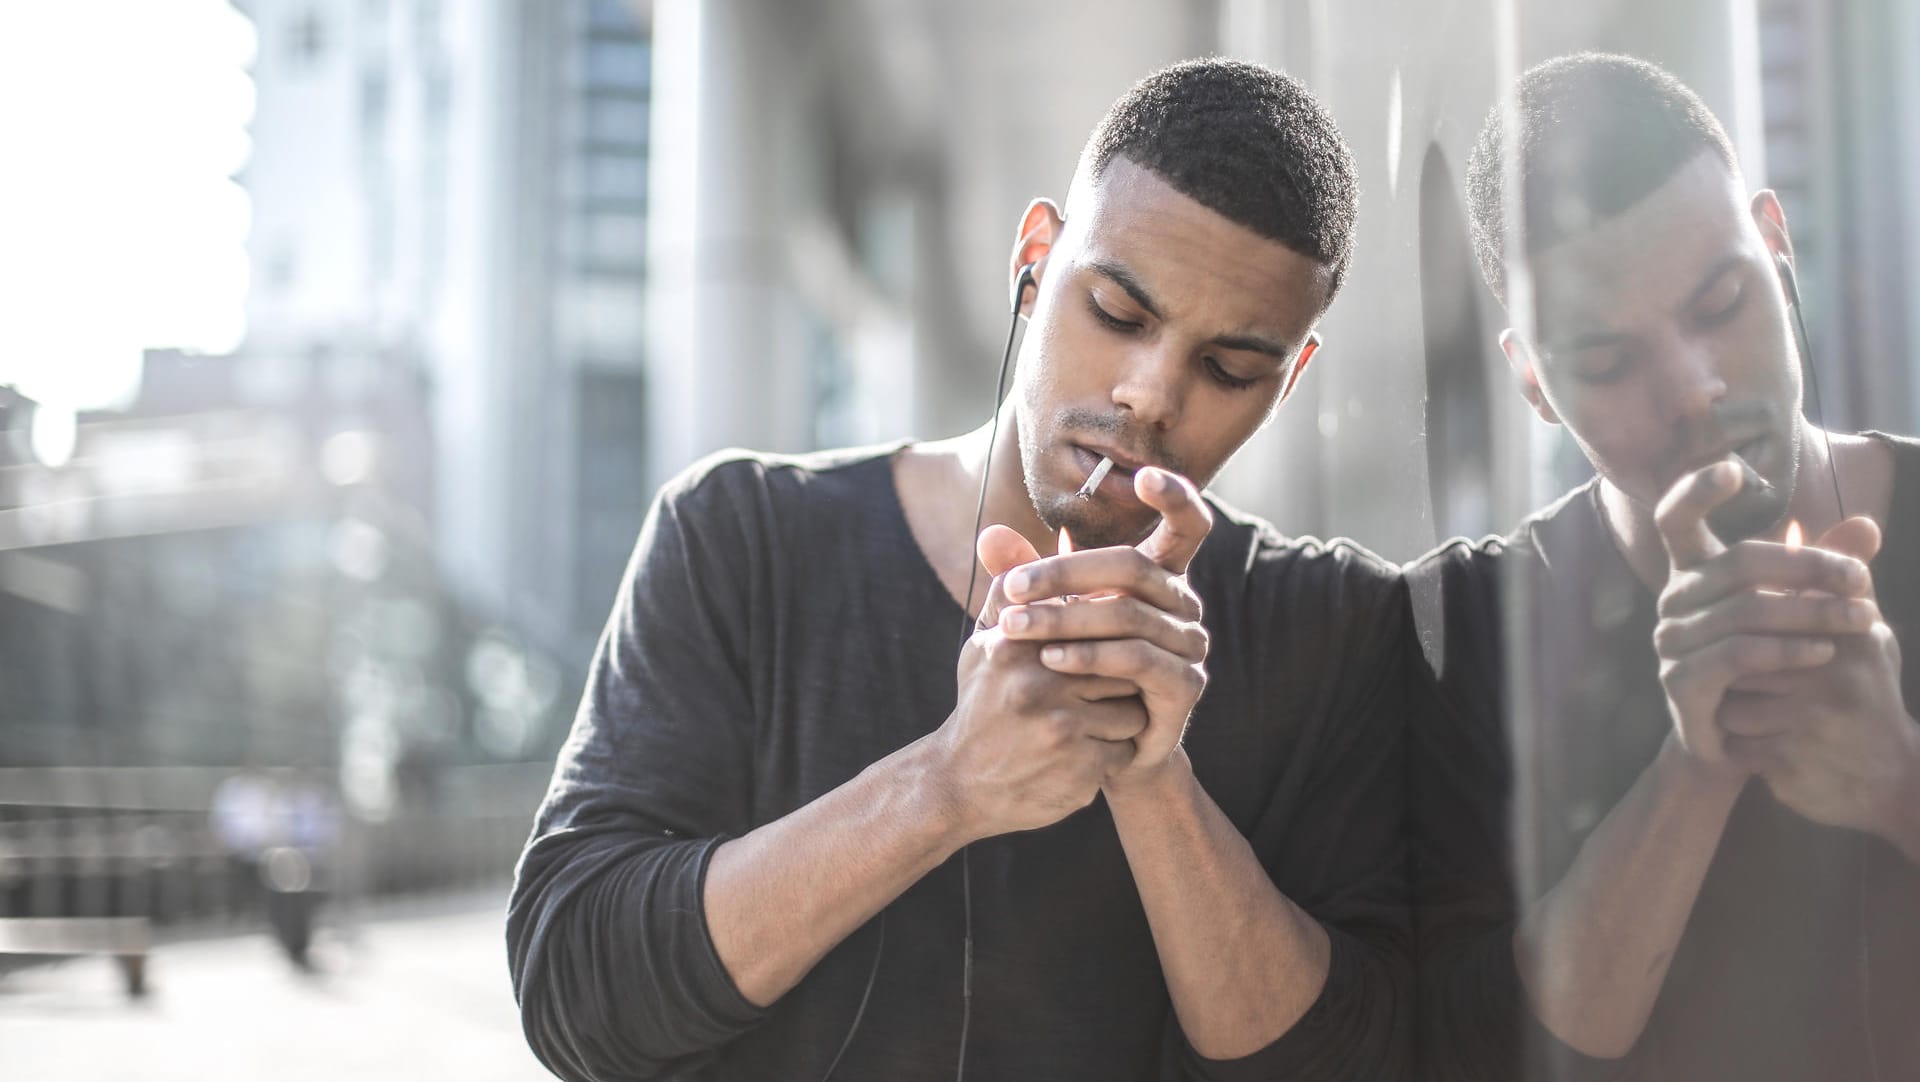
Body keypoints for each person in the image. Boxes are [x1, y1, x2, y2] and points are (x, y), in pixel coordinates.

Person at [508, 58, 1410, 1082]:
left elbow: (1355, 1057)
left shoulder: (1332, 623)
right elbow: (573, 994)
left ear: (1287, 381)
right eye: (1118, 311)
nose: (1149, 393)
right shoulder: (741, 535)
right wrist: (945, 784)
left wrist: (1153, 781)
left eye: (1228, 369)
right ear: (1037, 260)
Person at [1408, 53, 1920, 1081]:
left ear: (1777, 249)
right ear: (1533, 380)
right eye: (1604, 362)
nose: (1694, 390)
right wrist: (1698, 763)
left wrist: (1896, 780)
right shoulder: (1476, 621)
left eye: (1722, 299)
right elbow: (1503, 1043)